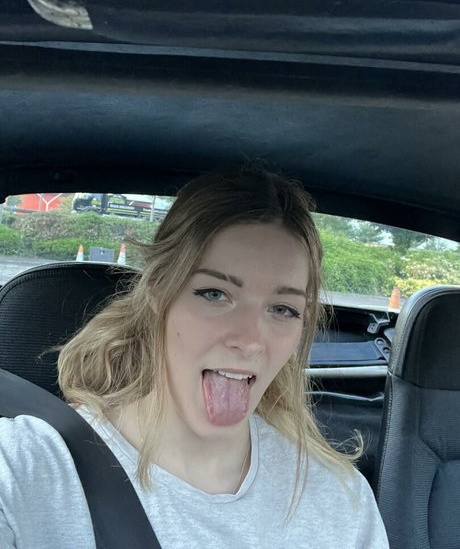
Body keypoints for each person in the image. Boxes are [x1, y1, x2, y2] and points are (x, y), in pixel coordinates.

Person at [0, 168, 389, 548]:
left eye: (283, 309)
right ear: (158, 292)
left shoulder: (340, 499)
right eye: (214, 294)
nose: (250, 341)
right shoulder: (26, 468)